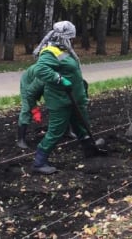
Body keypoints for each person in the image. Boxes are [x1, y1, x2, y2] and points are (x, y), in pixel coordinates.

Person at [32, 20, 105, 174]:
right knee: (56, 131)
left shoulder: (63, 49)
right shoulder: (51, 51)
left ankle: (90, 148)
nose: (73, 41)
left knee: (81, 123)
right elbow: (40, 69)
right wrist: (59, 79)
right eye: (71, 38)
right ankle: (39, 161)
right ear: (64, 37)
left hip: (74, 99)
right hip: (60, 100)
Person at [17, 63, 45, 149]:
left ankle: (67, 131)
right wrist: (35, 110)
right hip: (28, 82)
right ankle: (20, 139)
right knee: (27, 109)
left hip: (43, 81)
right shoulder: (43, 74)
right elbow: (30, 95)